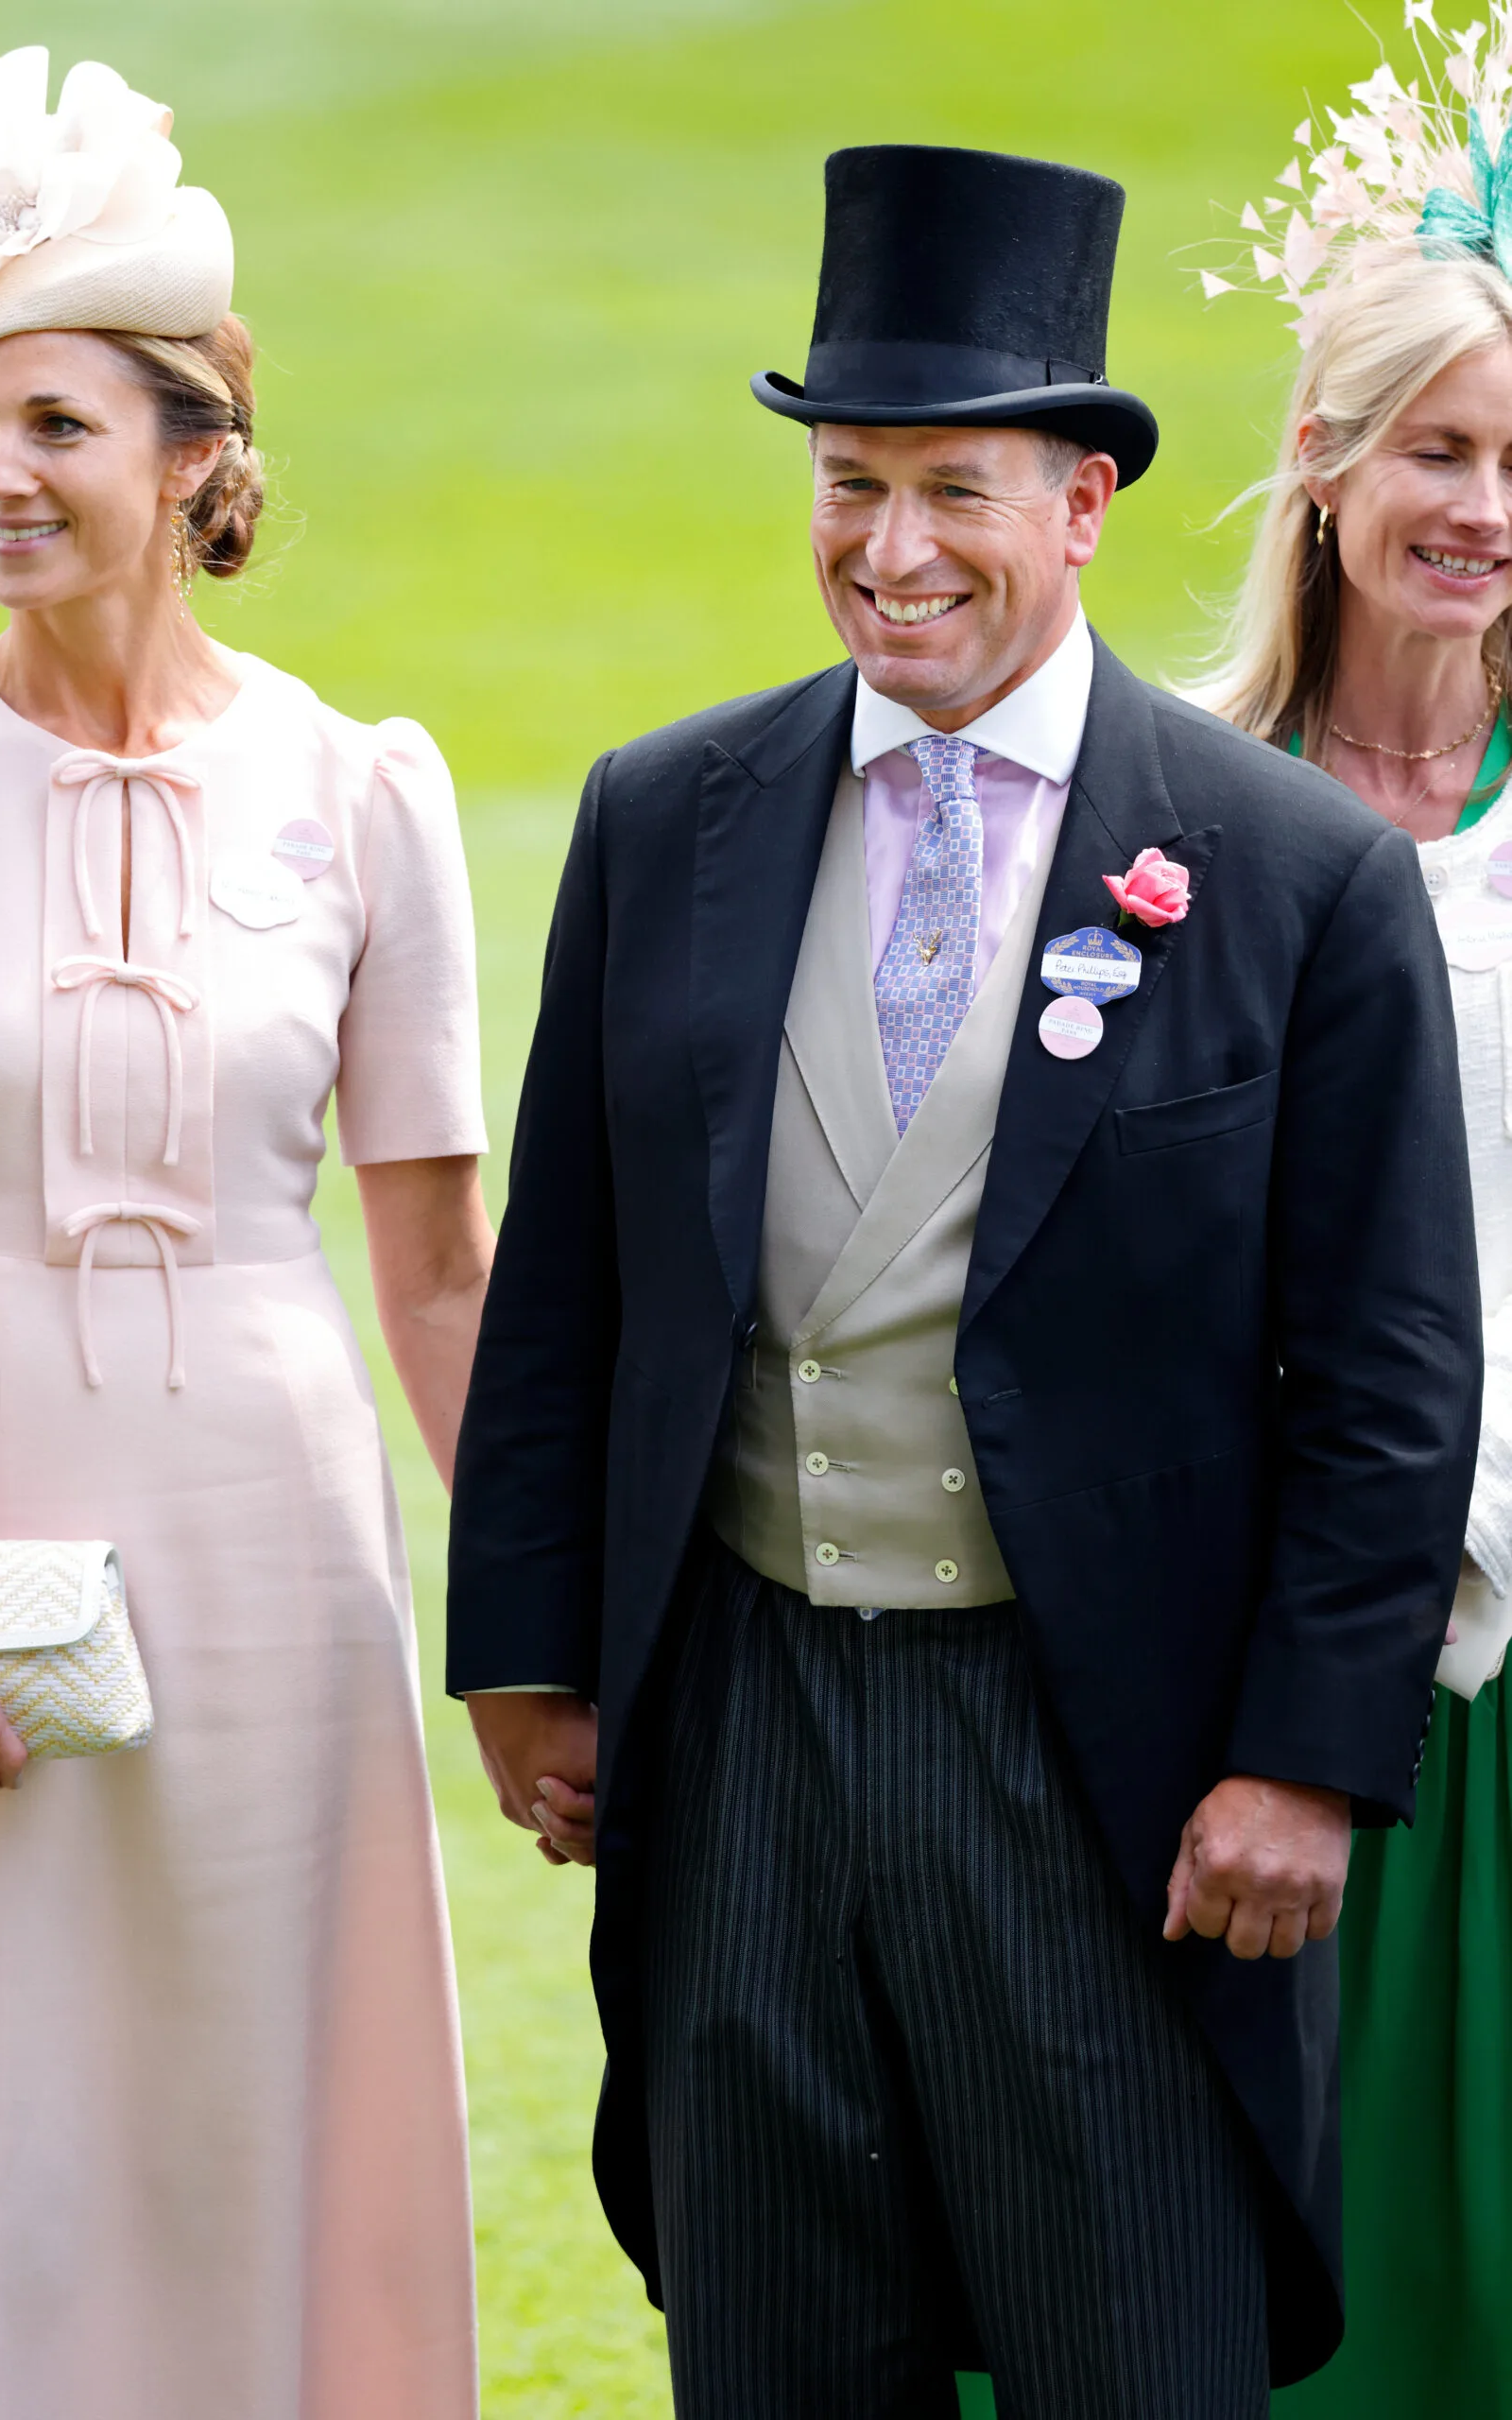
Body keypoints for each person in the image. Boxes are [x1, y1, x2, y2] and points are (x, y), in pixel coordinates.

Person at [445, 142, 1484, 2418]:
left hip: (1092, 1754)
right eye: (845, 483)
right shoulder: (663, 815)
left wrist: (1305, 1763)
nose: (887, 550)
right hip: (738, 1733)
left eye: (951, 489)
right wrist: (526, 1652)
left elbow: (1394, 1369)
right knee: (777, 2345)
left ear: (1083, 503)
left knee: (1124, 2337)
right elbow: (574, 1276)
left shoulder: (1291, 879)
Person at [0, 47, 487, 2420]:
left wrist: (546, 1630)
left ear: (197, 457)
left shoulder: (359, 790)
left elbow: (438, 1269)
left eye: (55, 424)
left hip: (276, 1534)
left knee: (244, 2085)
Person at [1197, 24, 1512, 2411]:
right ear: (1319, 466)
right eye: (1436, 448)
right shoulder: (1179, 809)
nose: (1481, 505)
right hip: (1267, 1656)